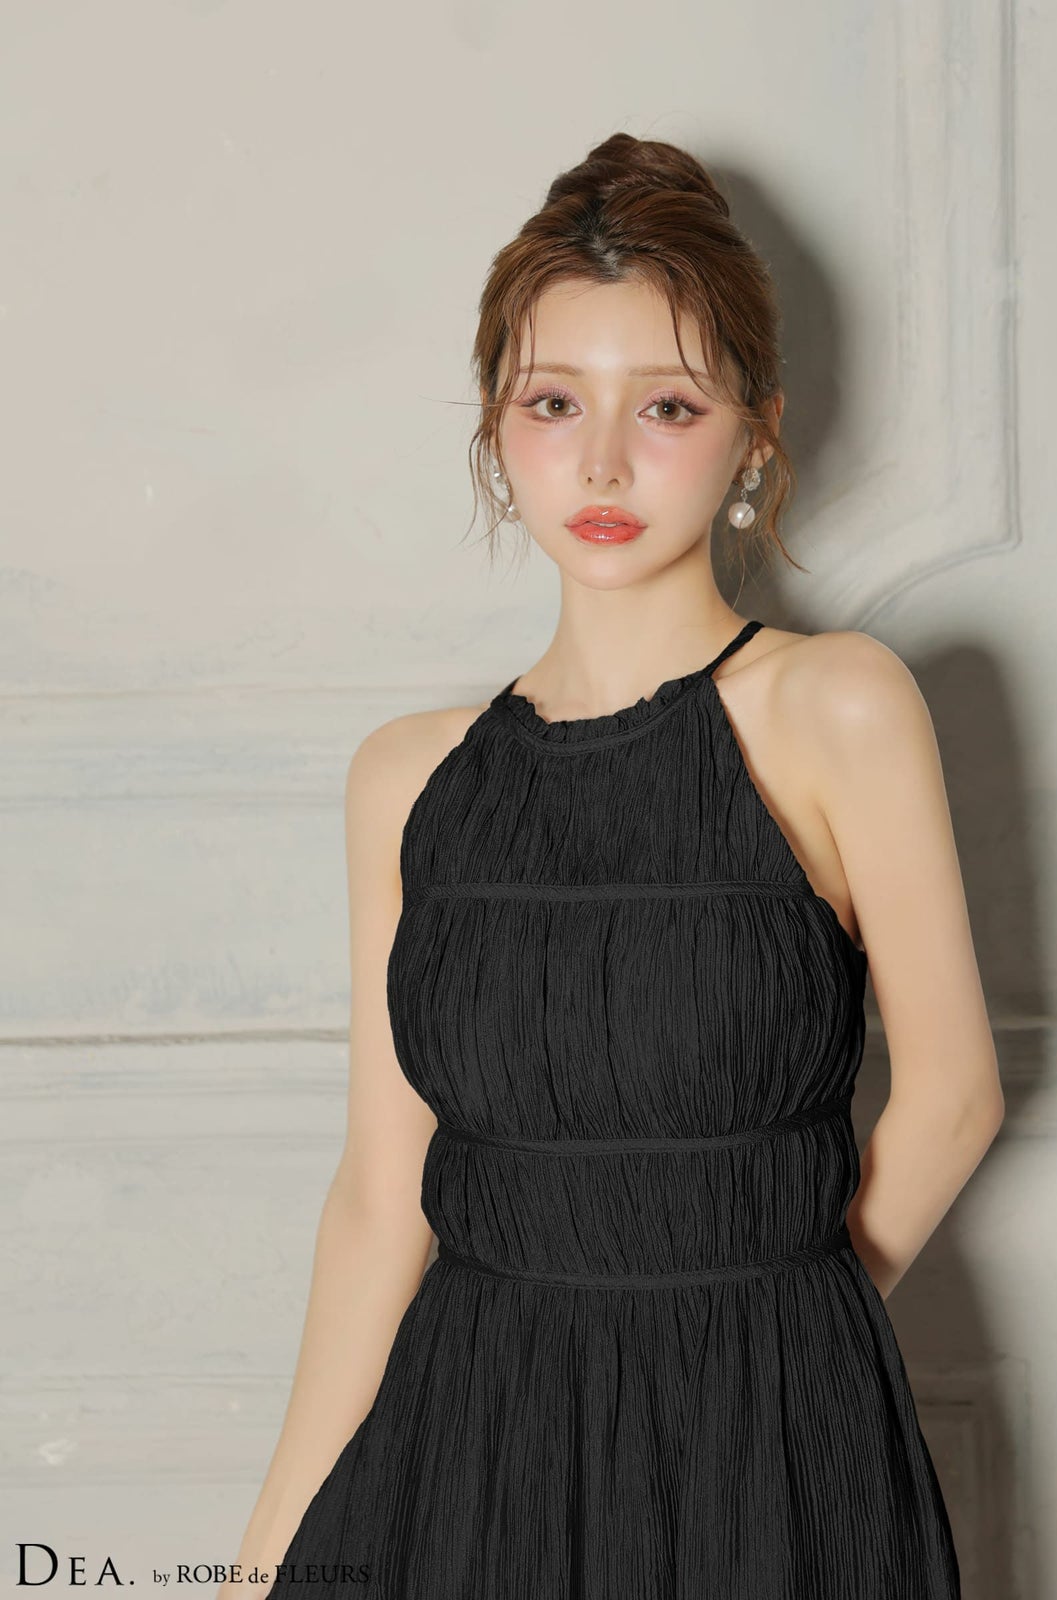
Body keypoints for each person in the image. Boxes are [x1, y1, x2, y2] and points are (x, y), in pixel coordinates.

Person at [220, 131, 1003, 1599]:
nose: (599, 462)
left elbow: (955, 1096)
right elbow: (383, 1196)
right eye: (552, 402)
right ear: (495, 427)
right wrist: (257, 1563)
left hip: (764, 1443)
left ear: (756, 434)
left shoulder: (838, 706)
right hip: (469, 1444)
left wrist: (771, 1344)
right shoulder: (408, 779)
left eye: (668, 406)